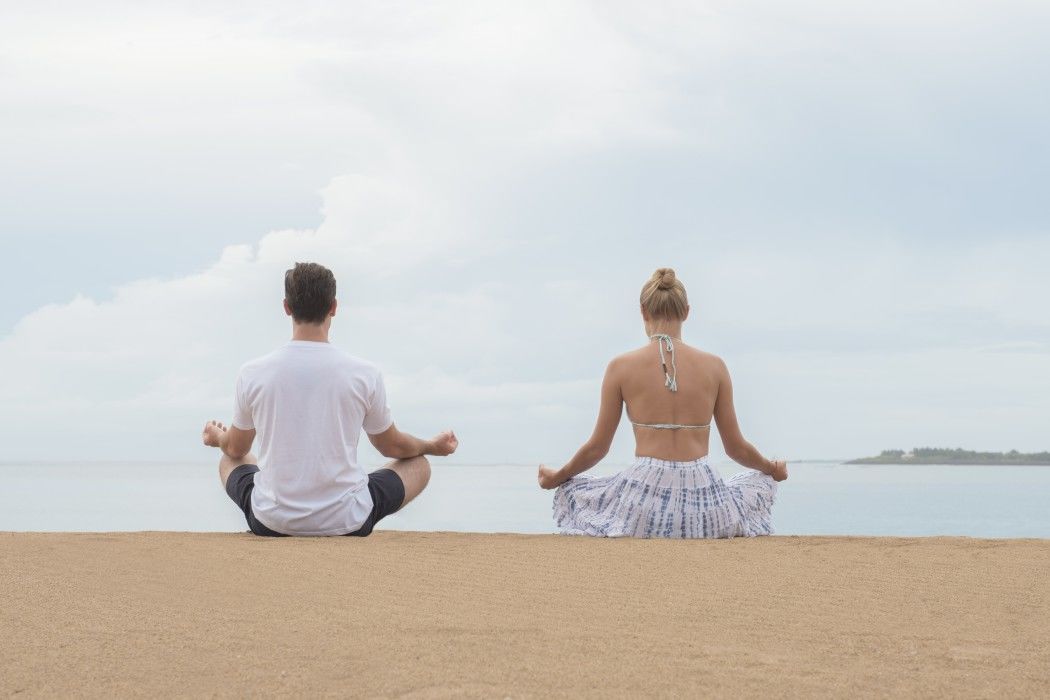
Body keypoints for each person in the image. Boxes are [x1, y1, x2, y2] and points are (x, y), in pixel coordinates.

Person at [202, 262, 458, 537]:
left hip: (272, 521)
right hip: (348, 519)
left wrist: (218, 437)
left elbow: (237, 449)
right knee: (419, 463)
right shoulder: (364, 374)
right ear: (334, 307)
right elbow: (392, 446)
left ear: (287, 307)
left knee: (229, 460)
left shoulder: (252, 373)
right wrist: (431, 446)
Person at [537, 267, 787, 538]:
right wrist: (771, 469)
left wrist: (558, 476)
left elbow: (597, 449)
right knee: (759, 482)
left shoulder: (620, 367)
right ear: (687, 312)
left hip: (642, 510)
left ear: (643, 311)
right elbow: (736, 449)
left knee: (572, 489)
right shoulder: (715, 367)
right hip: (707, 511)